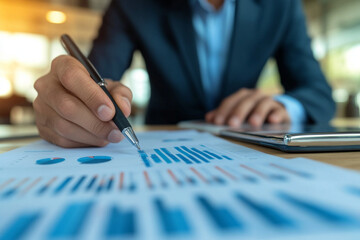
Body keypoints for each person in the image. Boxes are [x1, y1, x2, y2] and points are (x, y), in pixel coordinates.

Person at [33, 0, 335, 148]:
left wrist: (284, 105)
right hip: (162, 148)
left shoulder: (280, 5)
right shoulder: (132, 5)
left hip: (247, 146)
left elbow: (317, 92)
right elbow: (97, 80)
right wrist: (71, 98)